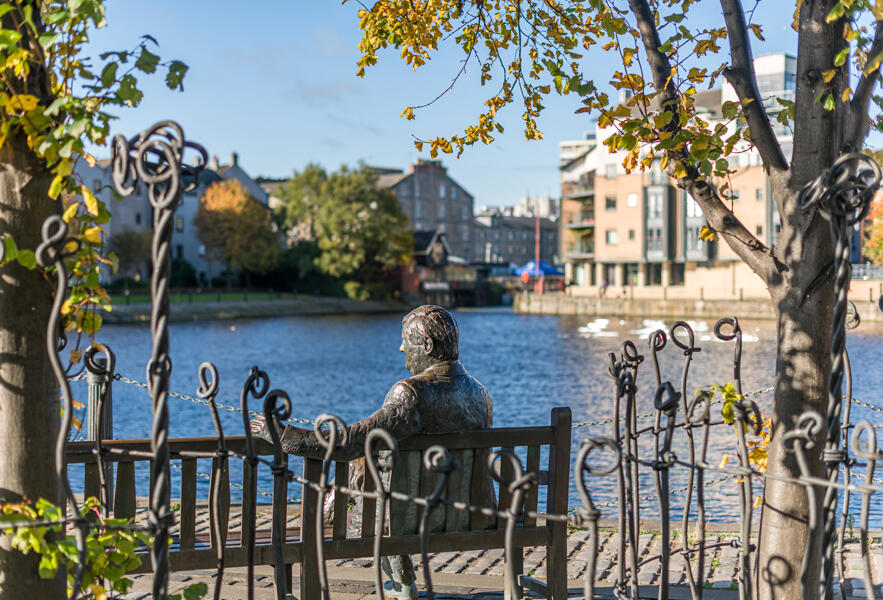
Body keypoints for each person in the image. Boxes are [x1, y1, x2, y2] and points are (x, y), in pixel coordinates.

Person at [251, 305, 493, 599]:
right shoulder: (481, 395)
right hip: (469, 515)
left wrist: (285, 435)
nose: (401, 349)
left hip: (404, 519)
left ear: (427, 346)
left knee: (363, 476)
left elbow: (353, 440)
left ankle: (395, 577)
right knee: (369, 464)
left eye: (406, 340)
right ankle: (402, 582)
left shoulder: (411, 393)